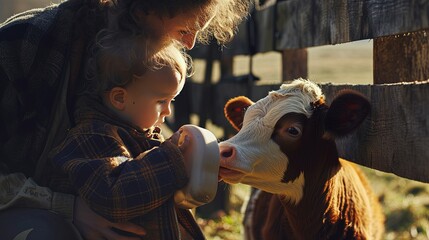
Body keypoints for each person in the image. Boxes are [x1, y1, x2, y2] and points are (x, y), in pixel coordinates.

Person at [0, 0, 249, 239]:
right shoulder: (24, 44)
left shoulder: (135, 71)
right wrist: (67, 208)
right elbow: (114, 188)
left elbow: (140, 175)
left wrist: (195, 168)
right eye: (185, 29)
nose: (190, 44)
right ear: (151, 5)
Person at [45, 30, 201, 239]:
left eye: (172, 101)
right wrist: (170, 158)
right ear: (120, 98)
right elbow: (114, 197)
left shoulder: (141, 135)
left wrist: (198, 167)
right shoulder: (94, 137)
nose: (168, 111)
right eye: (161, 101)